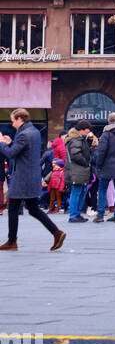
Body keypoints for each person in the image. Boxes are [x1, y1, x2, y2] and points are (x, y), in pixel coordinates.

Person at [0, 108, 66, 251]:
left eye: (13, 121)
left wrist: (2, 143)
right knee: (32, 208)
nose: (12, 124)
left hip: (22, 178)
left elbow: (11, 154)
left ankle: (12, 242)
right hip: (31, 176)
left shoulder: (24, 134)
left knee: (14, 208)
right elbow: (21, 151)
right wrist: (11, 142)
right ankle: (56, 232)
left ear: (20, 119)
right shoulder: (33, 132)